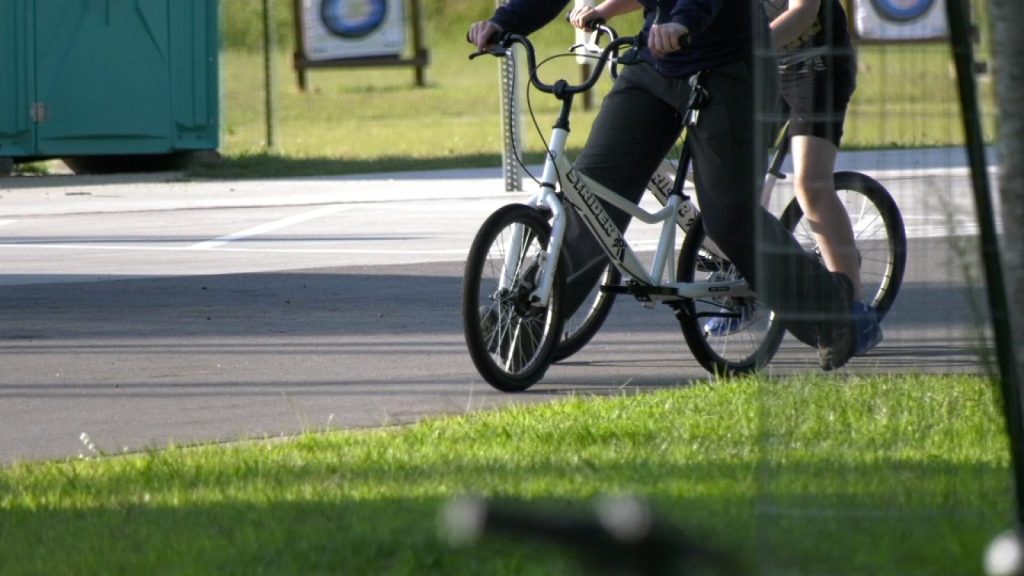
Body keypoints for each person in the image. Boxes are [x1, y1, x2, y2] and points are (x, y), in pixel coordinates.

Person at [468, 0, 864, 370]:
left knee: (728, 218)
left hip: (730, 67)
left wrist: (682, 21)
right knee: (591, 197)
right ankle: (528, 324)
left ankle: (831, 315)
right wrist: (505, 21)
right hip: (655, 63)